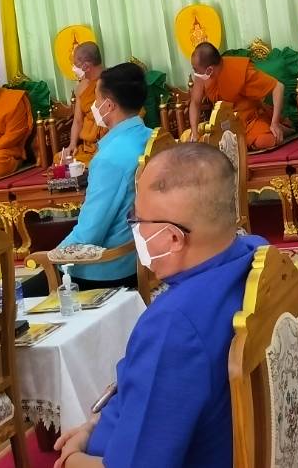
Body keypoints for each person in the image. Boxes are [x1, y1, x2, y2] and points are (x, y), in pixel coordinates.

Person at [53, 143, 265, 468]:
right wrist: (95, 426)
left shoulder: (174, 325)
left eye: (138, 221)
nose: (135, 230)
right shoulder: (258, 256)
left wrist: (73, 460)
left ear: (173, 238)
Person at [50, 62, 153, 290]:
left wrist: (51, 257)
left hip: (108, 268)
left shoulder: (110, 158)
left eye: (96, 100)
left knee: (27, 289)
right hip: (143, 255)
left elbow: (89, 234)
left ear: (109, 105)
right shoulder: (151, 137)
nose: (94, 106)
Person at [188, 43, 288, 151]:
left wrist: (275, 123)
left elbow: (278, 87)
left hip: (249, 121)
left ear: (209, 70)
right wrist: (194, 132)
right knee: (200, 144)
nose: (196, 74)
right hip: (223, 125)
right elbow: (195, 103)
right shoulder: (202, 76)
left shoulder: (239, 70)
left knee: (265, 140)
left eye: (196, 70)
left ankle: (283, 129)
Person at [65, 42, 106, 165]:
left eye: (76, 65)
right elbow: (78, 120)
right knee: (61, 159)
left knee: (101, 161)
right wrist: (72, 145)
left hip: (108, 142)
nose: (73, 69)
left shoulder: (111, 81)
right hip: (88, 147)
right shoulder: (82, 87)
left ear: (86, 66)